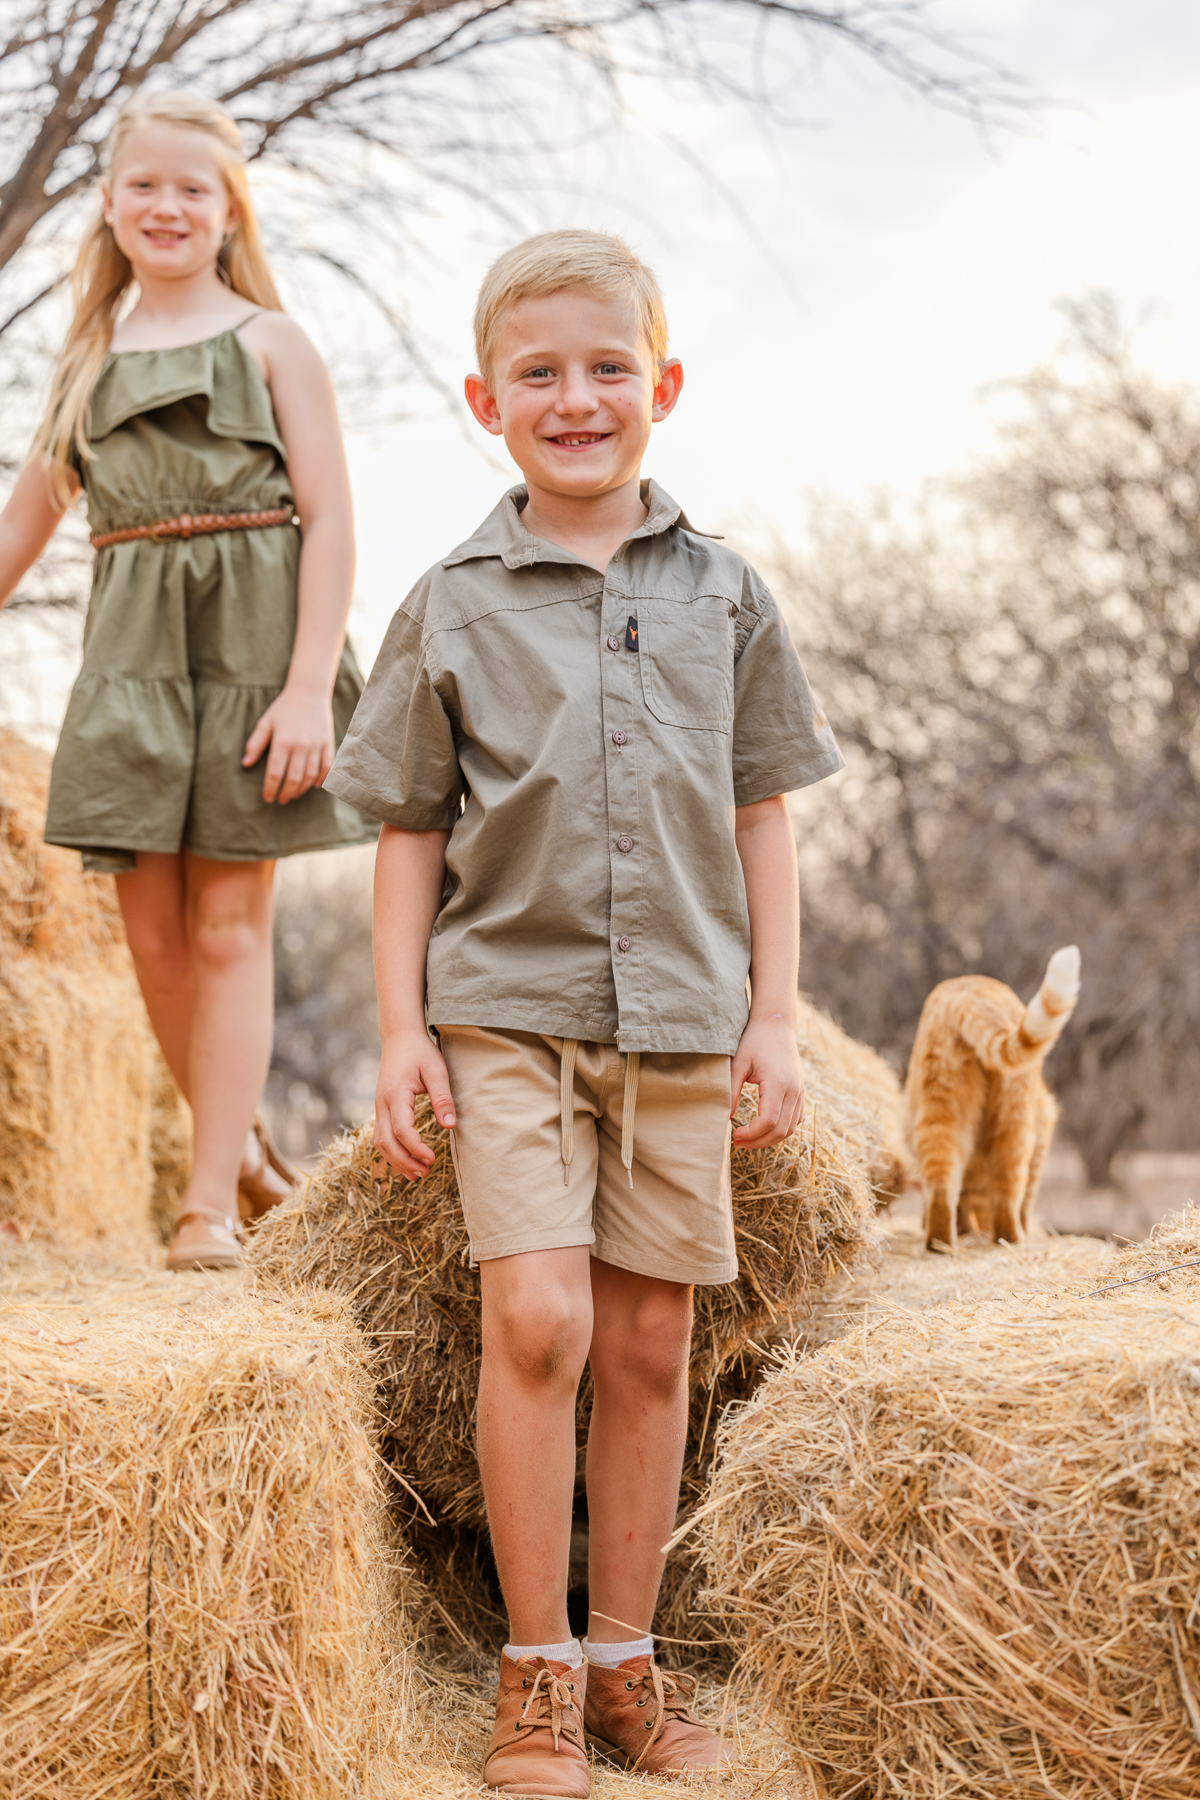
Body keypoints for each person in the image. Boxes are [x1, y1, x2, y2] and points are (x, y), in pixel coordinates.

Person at [326, 229, 843, 1796]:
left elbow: (764, 813)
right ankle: (533, 1672)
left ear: (662, 385)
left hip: (684, 1011)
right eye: (539, 373)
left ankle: (629, 1662)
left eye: (606, 366)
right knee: (536, 1316)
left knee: (648, 1338)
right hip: (505, 1009)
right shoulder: (450, 603)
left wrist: (775, 1014)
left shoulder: (727, 593)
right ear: (487, 400)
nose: (576, 397)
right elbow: (407, 827)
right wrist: (403, 1028)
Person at [0, 90, 376, 1272]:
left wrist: (310, 685)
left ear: (228, 214)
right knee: (148, 934)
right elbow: (19, 534)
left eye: (191, 189)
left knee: (226, 925)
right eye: (144, 185)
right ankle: (247, 1151)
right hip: (131, 660)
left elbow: (331, 522)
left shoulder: (272, 341)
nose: (166, 205)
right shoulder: (86, 365)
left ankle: (204, 1207)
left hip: (256, 653)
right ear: (109, 207)